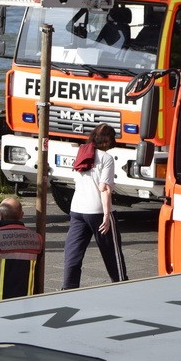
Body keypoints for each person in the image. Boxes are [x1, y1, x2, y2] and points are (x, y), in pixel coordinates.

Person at [61, 123, 128, 289]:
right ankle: (121, 285)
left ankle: (68, 288)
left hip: (77, 209)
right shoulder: (106, 158)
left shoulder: (82, 153)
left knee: (73, 253)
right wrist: (106, 215)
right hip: (97, 210)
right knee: (112, 254)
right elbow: (104, 188)